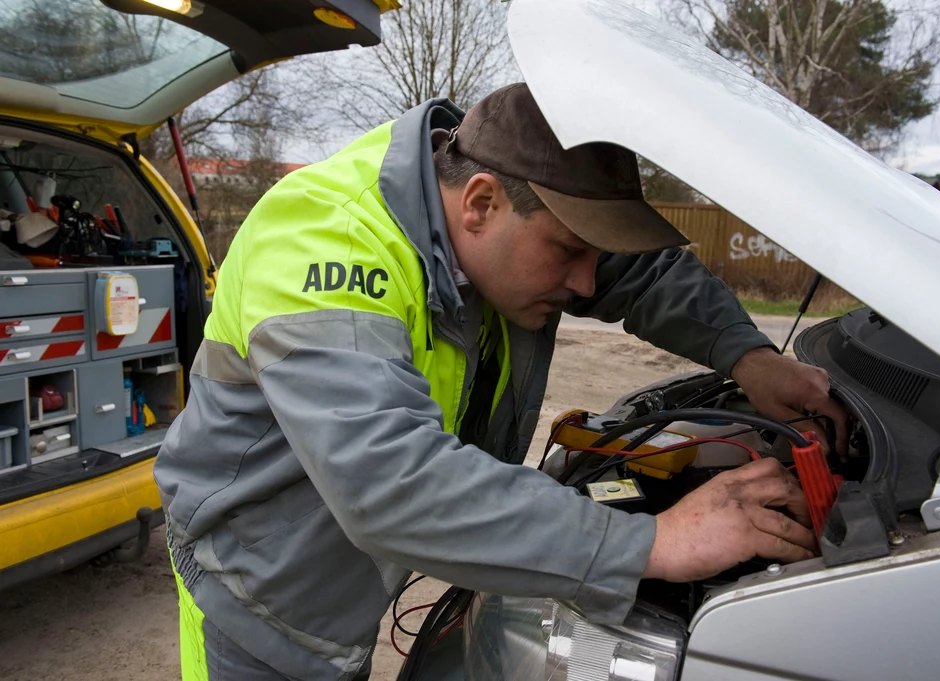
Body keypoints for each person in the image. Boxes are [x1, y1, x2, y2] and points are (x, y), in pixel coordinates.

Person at [154, 83, 848, 681]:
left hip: (341, 578)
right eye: (570, 253)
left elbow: (637, 271)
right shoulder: (325, 238)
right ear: (480, 203)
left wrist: (750, 357)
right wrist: (655, 542)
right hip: (252, 591)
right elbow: (387, 479)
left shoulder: (494, 207)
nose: (583, 283)